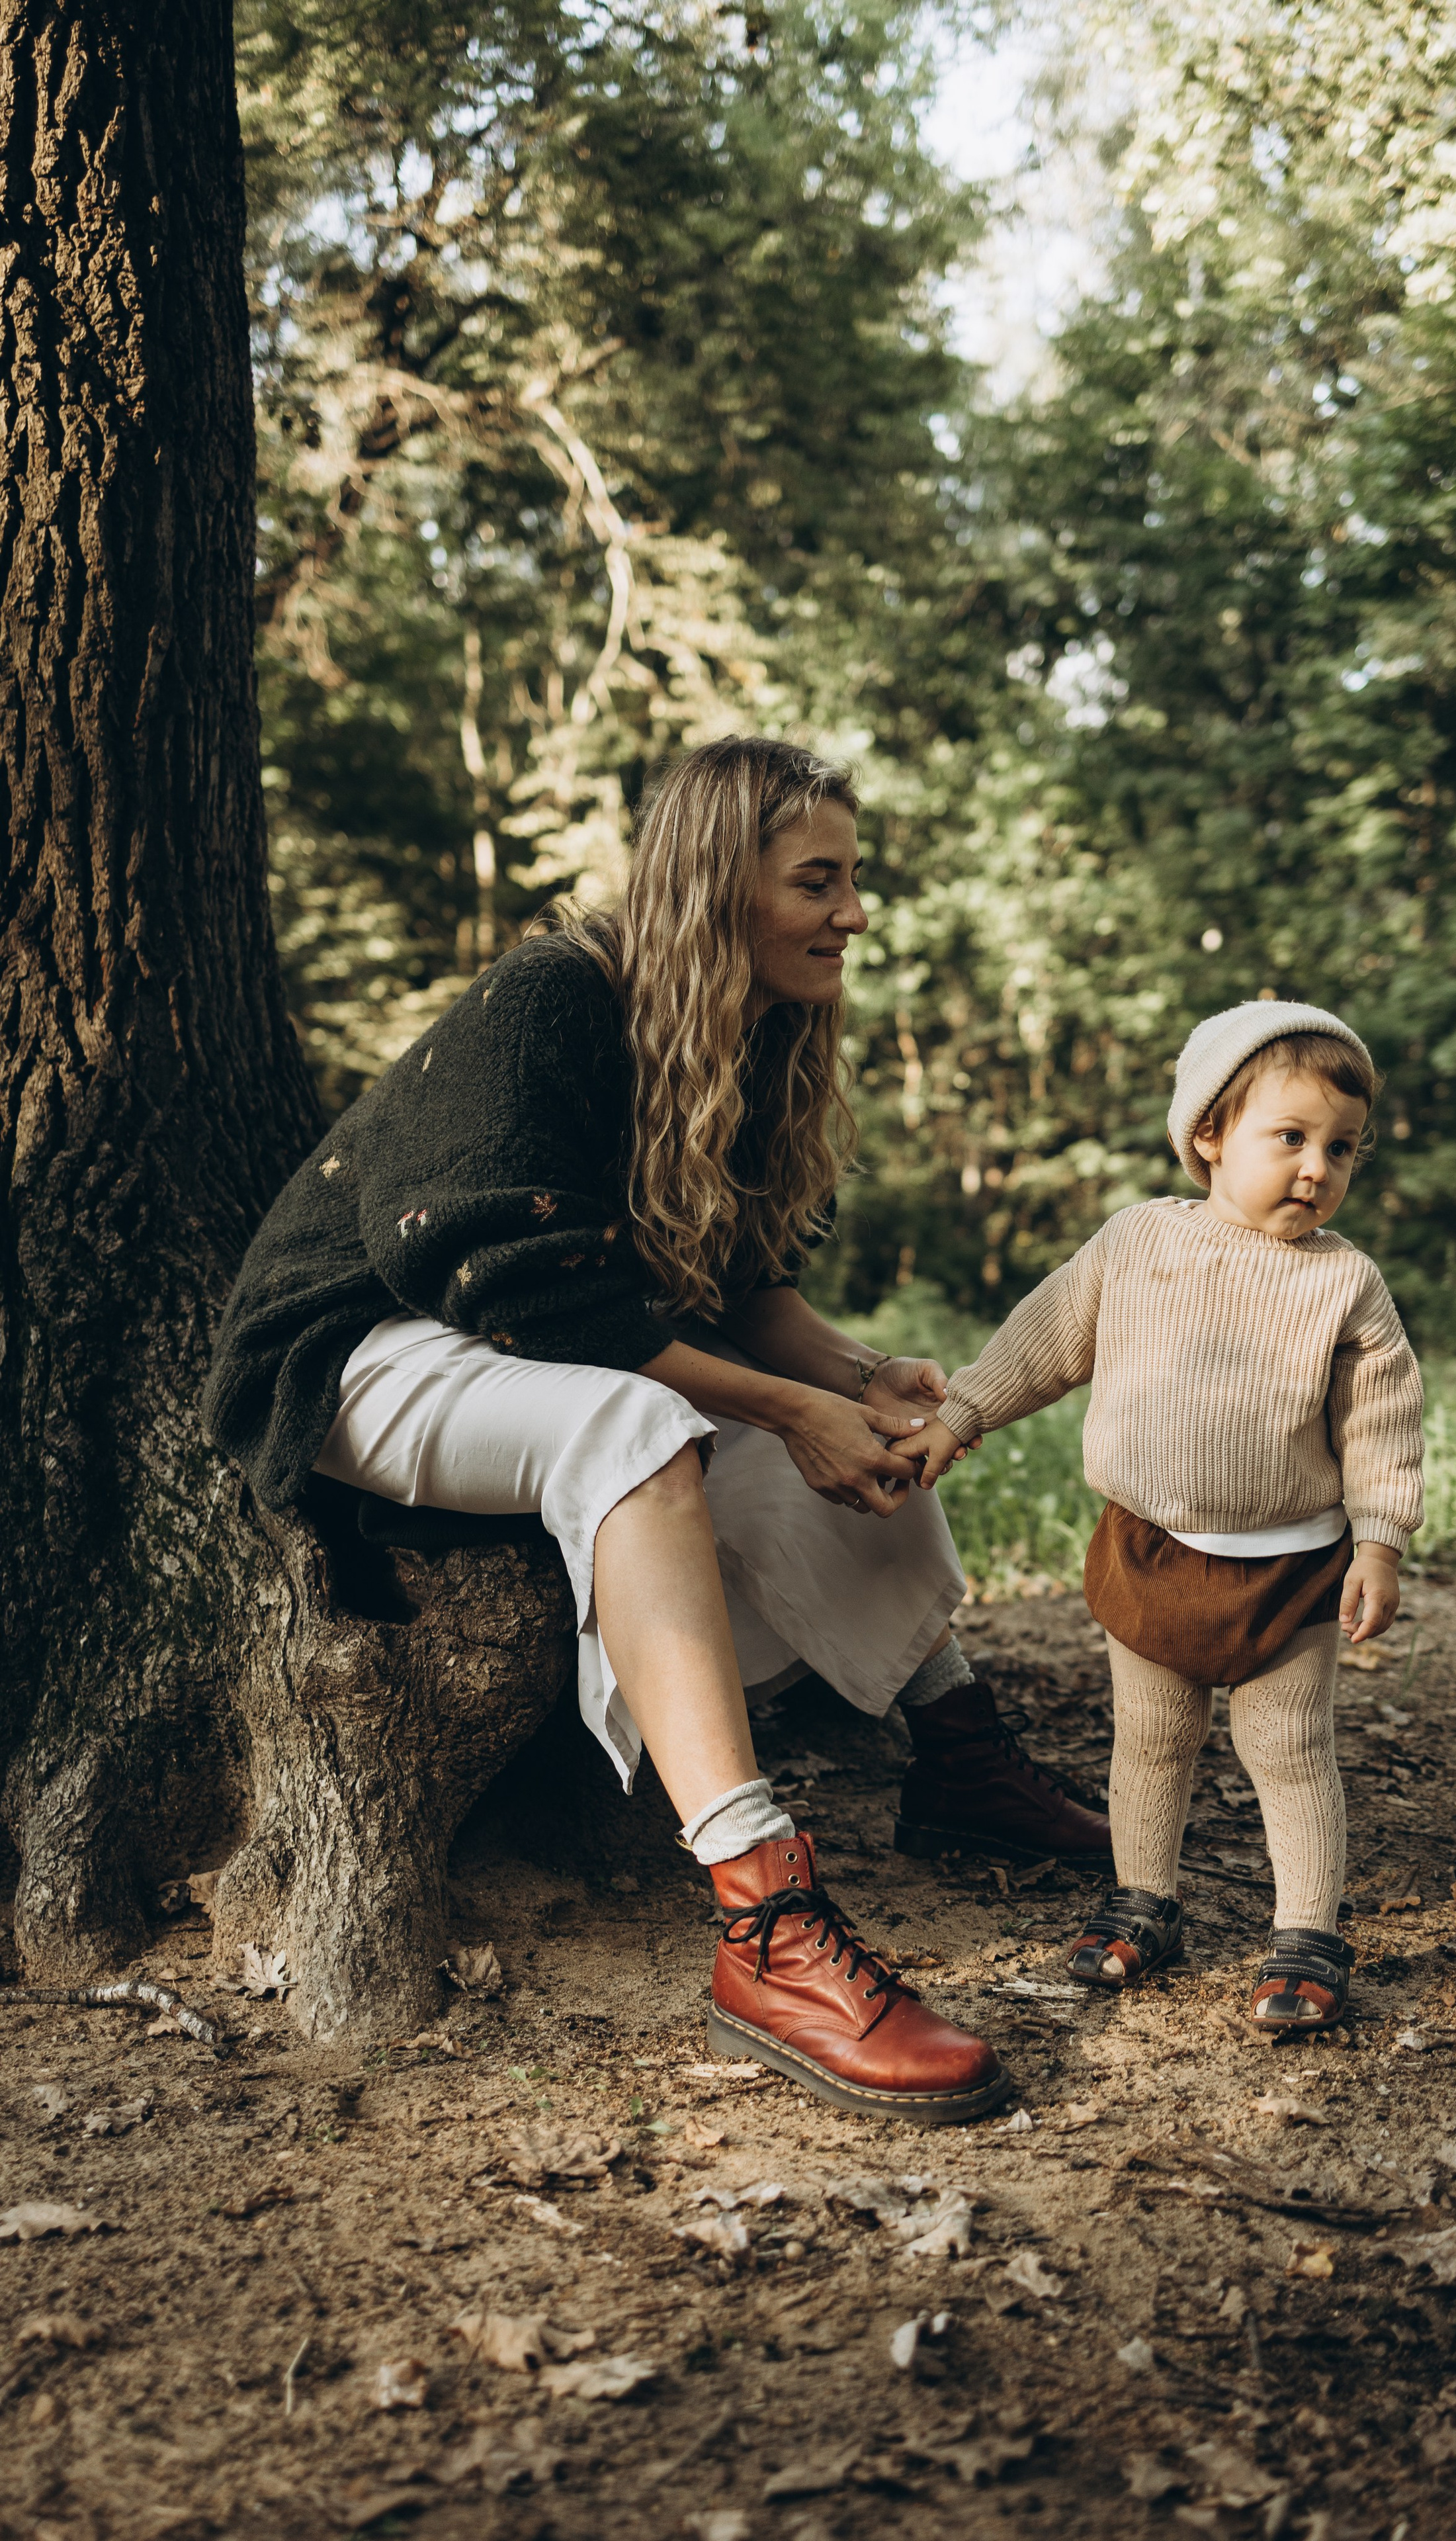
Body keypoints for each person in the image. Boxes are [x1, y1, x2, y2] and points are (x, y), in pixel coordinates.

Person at [202, 736, 1108, 2125]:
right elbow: (503, 1278)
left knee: (767, 1421)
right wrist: (780, 1404)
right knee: (636, 1426)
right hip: (359, 1356)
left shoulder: (753, 1041)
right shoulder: (550, 1000)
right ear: (711, 883)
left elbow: (752, 1307)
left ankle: (961, 1757)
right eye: (819, 881)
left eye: (853, 881)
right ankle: (764, 1922)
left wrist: (859, 1380)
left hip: (548, 1354)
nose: (853, 913)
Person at [897, 1001, 1425, 2034]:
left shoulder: (1346, 1284)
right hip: (1150, 1550)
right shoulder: (1137, 1243)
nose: (1317, 1168)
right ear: (1210, 1136)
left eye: (1342, 1149)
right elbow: (1044, 1339)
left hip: (1289, 1569)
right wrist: (957, 1416)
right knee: (1151, 1740)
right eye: (1291, 1138)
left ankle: (1309, 1929)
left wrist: (1380, 1541)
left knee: (1290, 1748)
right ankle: (1146, 1900)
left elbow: (1381, 1422)